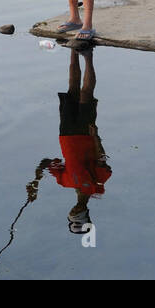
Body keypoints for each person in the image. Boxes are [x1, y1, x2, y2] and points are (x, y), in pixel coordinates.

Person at [47, 45, 111, 236]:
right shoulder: (96, 185)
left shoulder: (64, 182)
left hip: (65, 135)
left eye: (72, 214)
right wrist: (96, 135)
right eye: (77, 214)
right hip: (85, 135)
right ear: (84, 212)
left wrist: (36, 176)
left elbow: (50, 163)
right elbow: (102, 159)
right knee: (85, 95)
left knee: (72, 88)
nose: (74, 211)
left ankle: (74, 51)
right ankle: (88, 56)